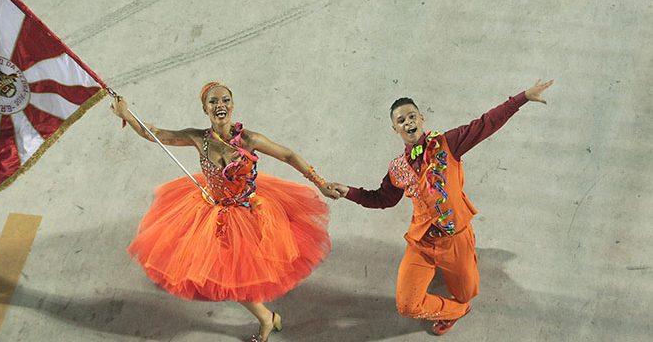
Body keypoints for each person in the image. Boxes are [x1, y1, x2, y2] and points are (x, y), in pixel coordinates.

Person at [111, 82, 337, 342]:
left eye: (225, 100)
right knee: (228, 275)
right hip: (211, 212)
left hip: (249, 213)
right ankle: (266, 317)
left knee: (238, 274)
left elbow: (287, 155)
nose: (220, 105)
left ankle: (266, 317)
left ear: (233, 104)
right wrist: (126, 114)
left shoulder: (250, 140)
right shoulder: (197, 137)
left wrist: (321, 182)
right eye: (213, 101)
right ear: (205, 108)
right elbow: (157, 135)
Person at [328, 79, 554, 336]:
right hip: (422, 244)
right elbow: (383, 199)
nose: (408, 122)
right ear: (395, 129)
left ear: (422, 118)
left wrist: (523, 97)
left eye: (411, 116)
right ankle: (457, 311)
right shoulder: (397, 168)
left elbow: (485, 124)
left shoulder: (449, 143)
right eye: (401, 121)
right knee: (407, 305)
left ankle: (459, 288)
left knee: (466, 292)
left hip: (455, 240)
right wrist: (348, 192)